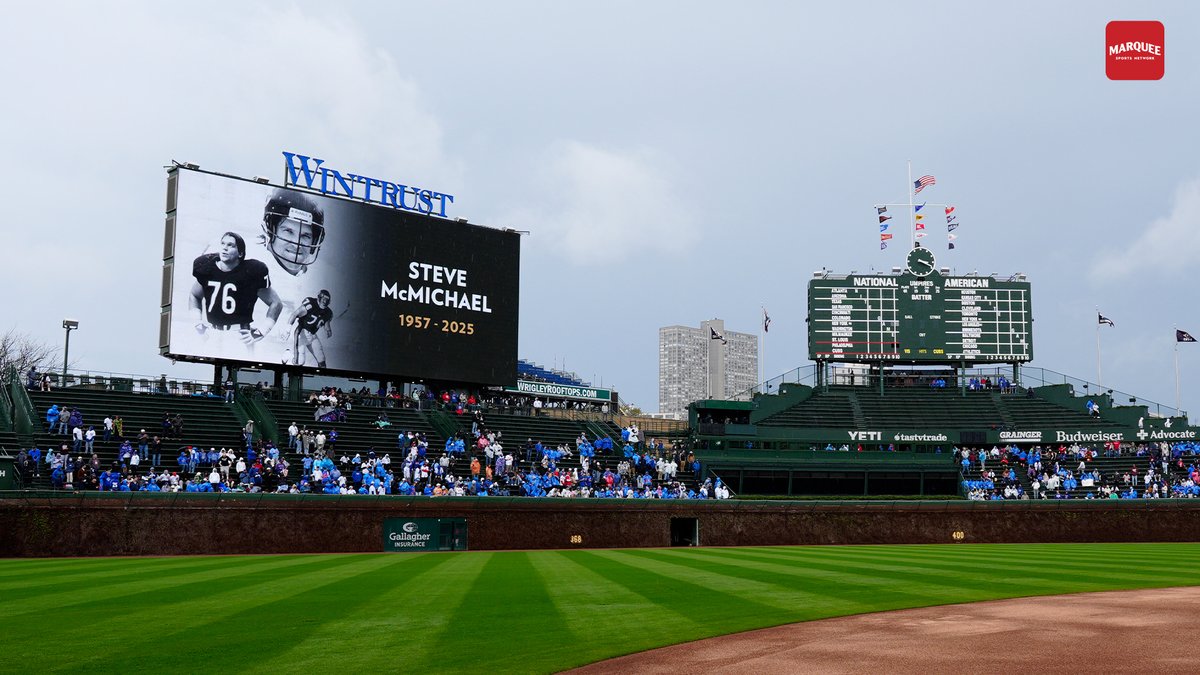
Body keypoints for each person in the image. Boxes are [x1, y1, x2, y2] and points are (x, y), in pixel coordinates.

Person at [189, 231, 283, 353]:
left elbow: (276, 303)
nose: (225, 248)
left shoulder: (250, 272)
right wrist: (198, 324)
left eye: (231, 245)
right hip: (212, 334)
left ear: (240, 253)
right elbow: (194, 295)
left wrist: (262, 331)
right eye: (223, 243)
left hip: (238, 336)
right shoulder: (208, 268)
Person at [286, 290, 334, 367]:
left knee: (322, 361)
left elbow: (326, 322)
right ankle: (288, 355)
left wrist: (328, 330)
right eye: (323, 300)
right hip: (301, 334)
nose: (324, 303)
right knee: (299, 362)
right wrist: (287, 330)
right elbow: (295, 314)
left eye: (326, 301)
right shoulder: (311, 304)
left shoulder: (328, 312)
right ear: (318, 298)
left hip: (313, 335)